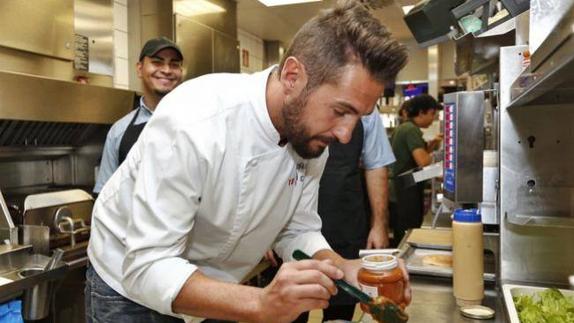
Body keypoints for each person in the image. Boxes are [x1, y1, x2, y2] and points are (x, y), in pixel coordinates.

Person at [85, 1, 409, 323]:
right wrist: (260, 303)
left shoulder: (311, 137)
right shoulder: (195, 121)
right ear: (293, 76)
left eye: (358, 117)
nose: (345, 135)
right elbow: (147, 265)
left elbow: (297, 228)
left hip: (211, 285)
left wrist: (343, 268)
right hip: (127, 288)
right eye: (340, 111)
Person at [293, 107, 395, 322]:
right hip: (290, 223)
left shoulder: (367, 108)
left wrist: (379, 224)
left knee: (340, 311)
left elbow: (376, 166)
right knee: (291, 309)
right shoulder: (297, 100)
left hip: (345, 218)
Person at [93, 37, 183, 196]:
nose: (167, 70)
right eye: (157, 62)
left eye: (174, 64)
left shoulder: (197, 123)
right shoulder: (119, 131)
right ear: (140, 69)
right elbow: (105, 196)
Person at [388, 94, 442, 245]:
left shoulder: (405, 127)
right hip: (405, 187)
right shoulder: (411, 130)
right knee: (407, 231)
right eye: (432, 114)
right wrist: (441, 157)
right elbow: (423, 161)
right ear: (421, 112)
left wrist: (431, 146)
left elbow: (416, 157)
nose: (433, 119)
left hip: (403, 185)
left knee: (402, 229)